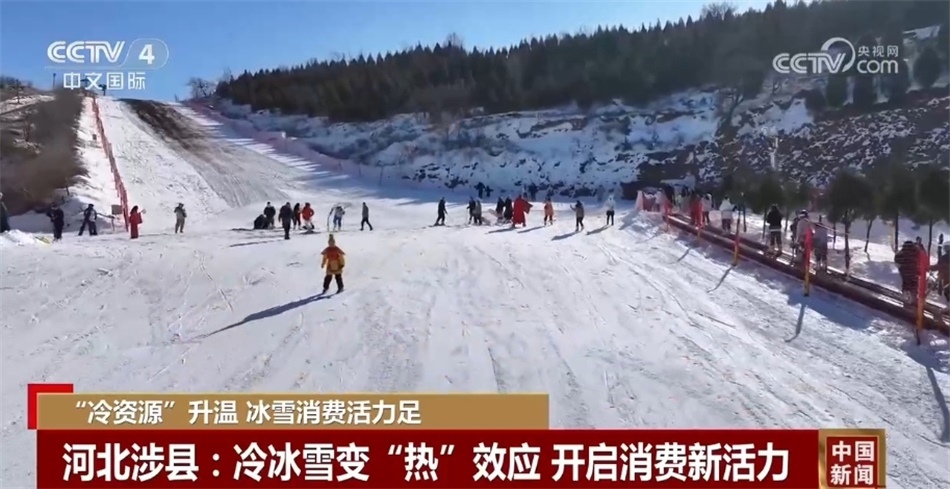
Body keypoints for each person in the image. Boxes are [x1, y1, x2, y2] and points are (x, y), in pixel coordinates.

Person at [895, 240, 923, 307]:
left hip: (904, 273)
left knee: (906, 285)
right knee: (914, 285)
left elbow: (897, 262)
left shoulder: (900, 254)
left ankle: (906, 299)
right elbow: (921, 260)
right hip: (914, 273)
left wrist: (901, 268)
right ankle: (913, 300)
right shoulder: (916, 253)